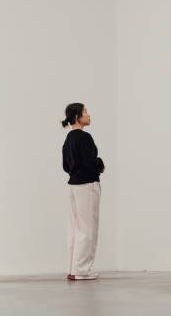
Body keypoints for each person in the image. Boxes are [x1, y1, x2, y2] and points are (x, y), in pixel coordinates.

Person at [61, 103, 105, 281]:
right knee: (87, 228)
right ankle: (82, 270)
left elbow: (66, 166)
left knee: (75, 227)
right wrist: (100, 165)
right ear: (78, 116)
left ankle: (73, 268)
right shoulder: (84, 137)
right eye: (85, 112)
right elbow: (90, 163)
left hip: (73, 186)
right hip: (87, 185)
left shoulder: (68, 139)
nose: (89, 115)